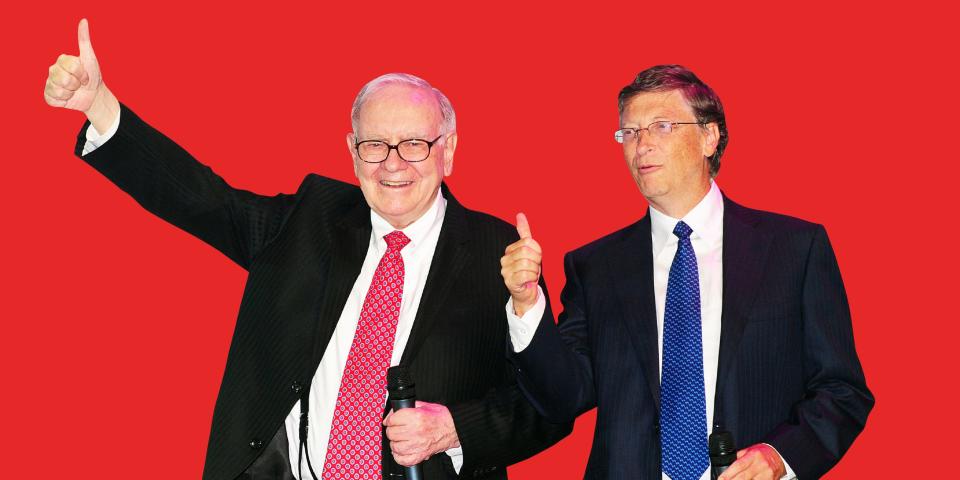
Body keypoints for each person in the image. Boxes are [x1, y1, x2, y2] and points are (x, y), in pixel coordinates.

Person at [44, 19, 570, 480]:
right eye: (374, 145)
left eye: (414, 144)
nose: (393, 164)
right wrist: (100, 106)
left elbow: (548, 406)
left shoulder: (499, 252)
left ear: (448, 150)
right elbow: (203, 201)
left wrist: (454, 430)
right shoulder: (310, 218)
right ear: (351, 151)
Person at [500, 65, 872, 480]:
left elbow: (842, 392)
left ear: (709, 137)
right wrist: (528, 304)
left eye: (661, 126)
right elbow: (563, 397)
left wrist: (777, 456)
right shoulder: (596, 266)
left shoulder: (794, 249)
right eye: (630, 132)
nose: (642, 146)